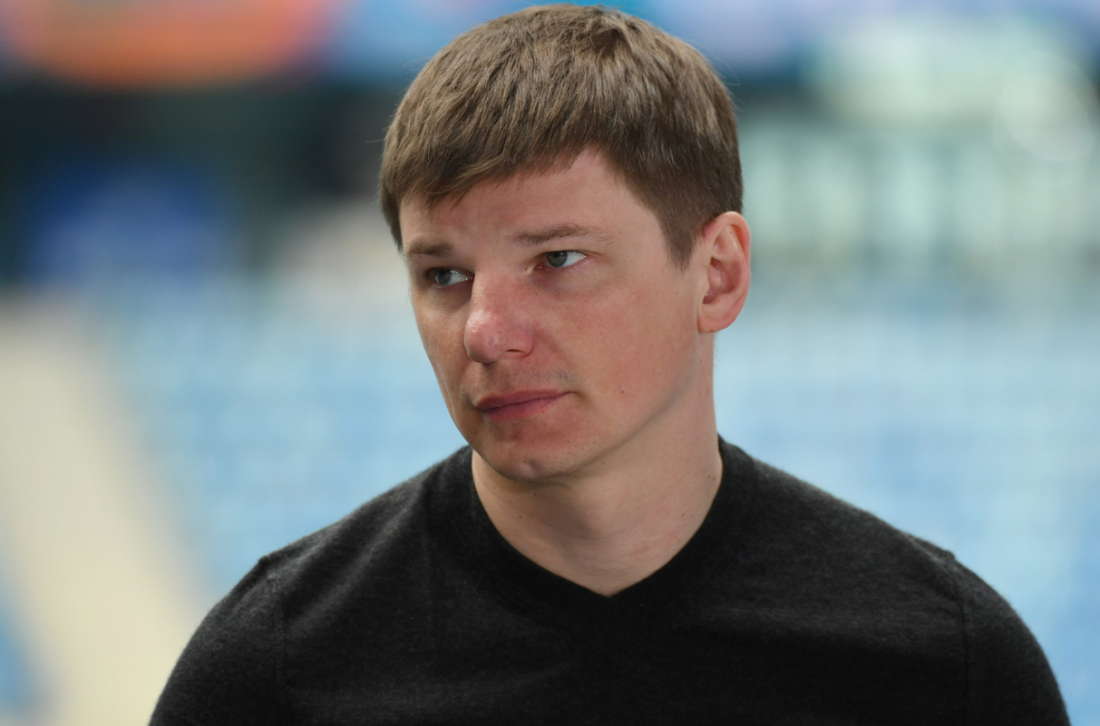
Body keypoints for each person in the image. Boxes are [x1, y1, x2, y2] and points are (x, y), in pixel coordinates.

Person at [151, 5, 1069, 724]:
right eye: (444, 275)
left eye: (558, 260)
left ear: (717, 275)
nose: (485, 332)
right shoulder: (276, 669)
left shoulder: (943, 664)